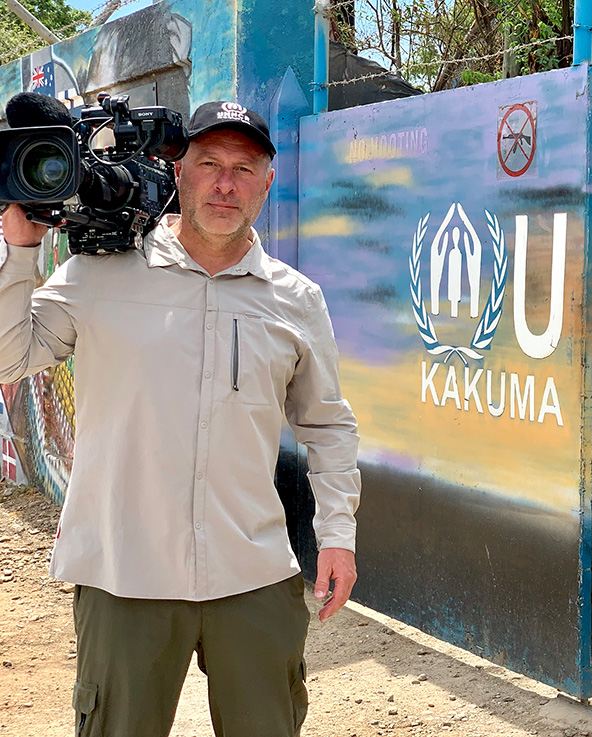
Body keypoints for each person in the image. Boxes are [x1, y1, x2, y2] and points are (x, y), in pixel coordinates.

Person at [0, 101, 361, 737]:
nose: (226, 184)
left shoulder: (297, 299)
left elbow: (327, 426)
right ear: (177, 172)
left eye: (243, 169)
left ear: (267, 183)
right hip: (123, 576)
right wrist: (21, 252)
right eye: (209, 164)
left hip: (252, 574)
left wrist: (338, 535)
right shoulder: (99, 274)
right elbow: (9, 357)